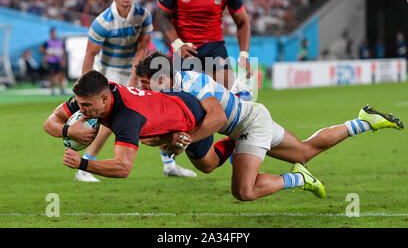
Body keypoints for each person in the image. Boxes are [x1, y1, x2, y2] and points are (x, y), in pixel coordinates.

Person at [135, 51, 404, 201]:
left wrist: (185, 139)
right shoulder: (169, 90)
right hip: (249, 118)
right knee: (304, 152)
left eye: (146, 84)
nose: (143, 90)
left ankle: (298, 178)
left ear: (162, 78)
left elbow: (216, 118)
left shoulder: (191, 83)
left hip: (250, 124)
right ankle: (363, 122)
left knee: (244, 191)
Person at [44, 70, 324, 201]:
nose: (81, 110)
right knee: (165, 145)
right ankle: (239, 138)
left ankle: (247, 140)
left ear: (105, 99)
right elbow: (51, 121)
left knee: (210, 166)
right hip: (165, 113)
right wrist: (69, 129)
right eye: (79, 105)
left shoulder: (128, 117)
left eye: (86, 107)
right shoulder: (95, 94)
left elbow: (123, 167)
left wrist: (81, 163)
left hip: (190, 115)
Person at [75, 0, 196, 182]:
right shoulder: (102, 22)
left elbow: (142, 48)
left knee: (158, 108)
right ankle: (84, 166)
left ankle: (169, 164)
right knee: (110, 121)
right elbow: (90, 54)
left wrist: (134, 78)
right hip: (109, 73)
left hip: (136, 70)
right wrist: (86, 86)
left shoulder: (144, 15)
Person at [39, 27, 66, 95]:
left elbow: (63, 52)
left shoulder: (60, 42)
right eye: (52, 33)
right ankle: (52, 89)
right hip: (51, 61)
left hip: (58, 61)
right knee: (51, 76)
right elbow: (41, 49)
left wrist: (63, 60)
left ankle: (61, 89)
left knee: (60, 75)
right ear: (50, 33)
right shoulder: (47, 42)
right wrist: (46, 53)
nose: (53, 34)